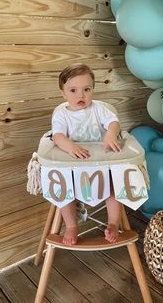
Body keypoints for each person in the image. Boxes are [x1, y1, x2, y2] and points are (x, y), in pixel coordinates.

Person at [52, 63, 122, 246]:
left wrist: (110, 133)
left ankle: (114, 222)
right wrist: (69, 146)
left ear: (93, 90)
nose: (81, 95)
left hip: (100, 165)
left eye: (86, 89)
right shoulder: (61, 115)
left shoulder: (98, 109)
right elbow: (58, 136)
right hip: (73, 166)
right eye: (73, 90)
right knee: (62, 188)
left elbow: (114, 122)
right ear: (63, 93)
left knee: (115, 184)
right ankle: (71, 226)